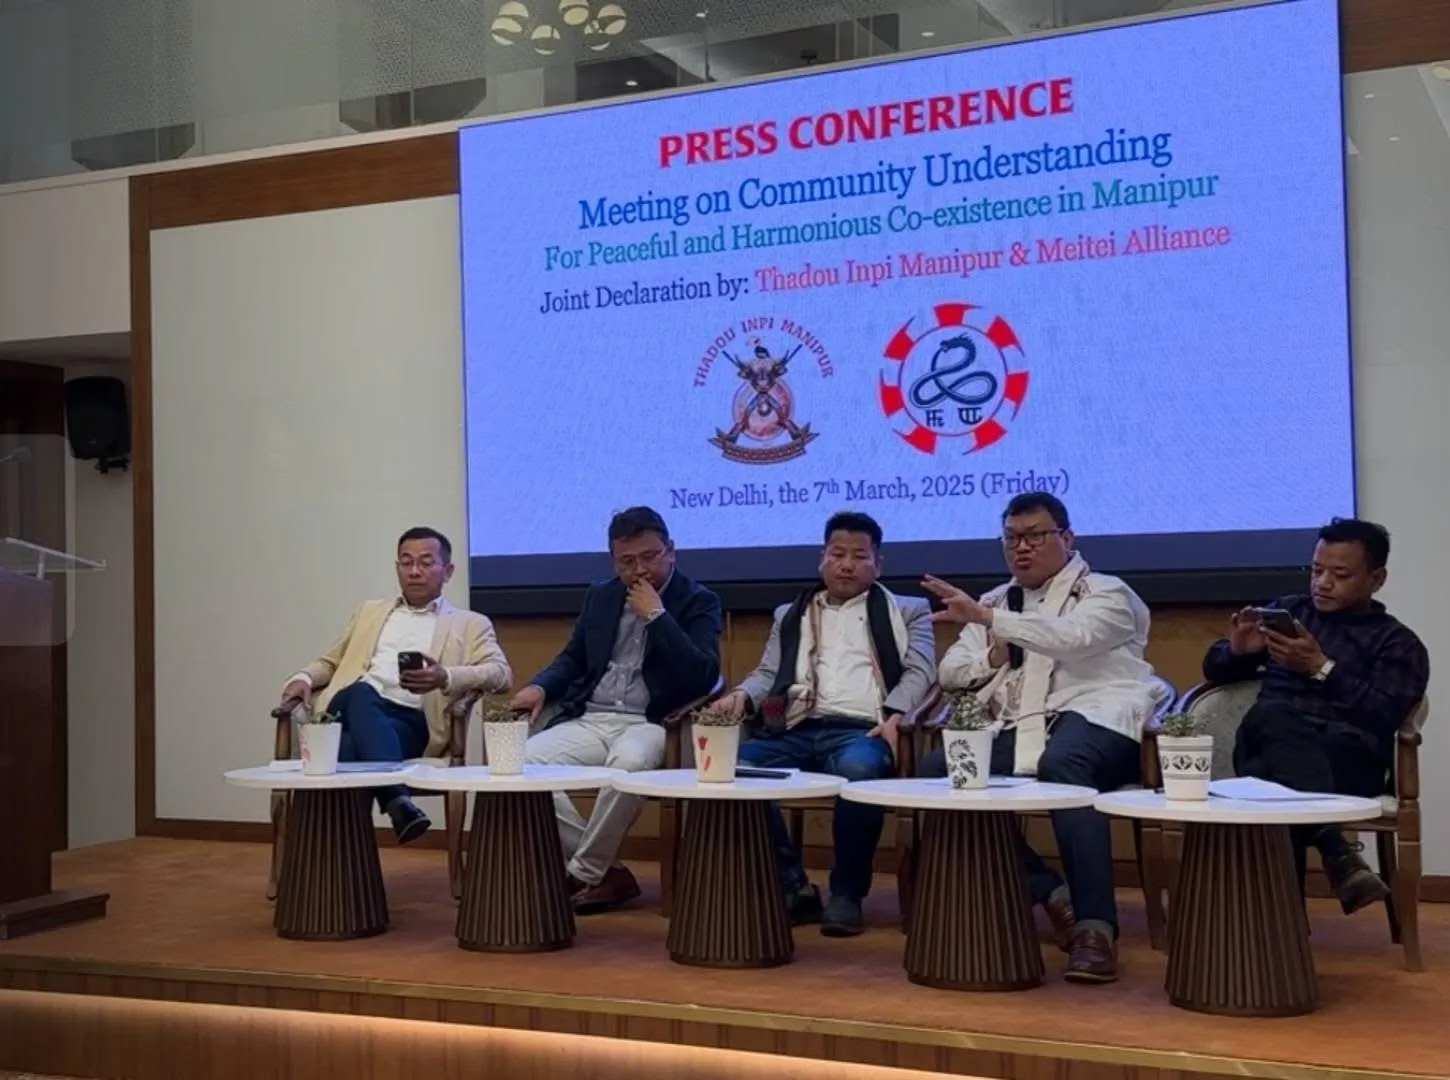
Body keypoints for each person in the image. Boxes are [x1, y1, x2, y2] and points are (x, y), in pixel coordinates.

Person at [920, 492, 1159, 984]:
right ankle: (1050, 892)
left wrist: (990, 621)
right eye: (1011, 539)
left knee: (1062, 764)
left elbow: (1071, 638)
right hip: (1021, 723)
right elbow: (951, 672)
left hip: (1100, 718)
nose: (1021, 548)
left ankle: (1095, 928)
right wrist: (992, 654)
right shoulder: (994, 600)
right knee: (940, 771)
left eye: (1034, 536)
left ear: (1067, 538)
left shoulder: (1107, 593)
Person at [716, 511, 935, 937]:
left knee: (860, 770)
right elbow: (768, 673)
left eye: (859, 556)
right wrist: (741, 695)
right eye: (837, 554)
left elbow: (920, 671)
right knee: (733, 768)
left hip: (862, 730)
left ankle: (846, 894)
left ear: (878, 564)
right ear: (822, 559)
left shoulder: (909, 610)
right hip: (794, 727)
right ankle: (793, 886)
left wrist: (895, 714)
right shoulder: (791, 613)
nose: (846, 565)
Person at [1202, 517, 1429, 914]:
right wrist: (1237, 652)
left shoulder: (1397, 642)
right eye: (1316, 570)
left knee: (1269, 782)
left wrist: (1321, 668)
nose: (1322, 583)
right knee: (1272, 715)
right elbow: (1216, 672)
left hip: (1345, 763)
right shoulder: (1288, 612)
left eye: (1339, 575)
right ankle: (1337, 851)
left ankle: (1282, 931)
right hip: (1269, 736)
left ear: (1377, 579)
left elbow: (1386, 716)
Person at [513, 507, 722, 913]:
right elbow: (573, 658)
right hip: (592, 717)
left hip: (652, 721)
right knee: (518, 763)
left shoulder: (699, 601)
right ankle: (607, 873)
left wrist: (657, 616)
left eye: (650, 557)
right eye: (627, 562)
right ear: (613, 561)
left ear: (671, 551)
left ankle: (584, 872)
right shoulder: (602, 595)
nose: (639, 570)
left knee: (628, 766)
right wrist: (539, 686)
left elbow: (703, 674)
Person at [280, 526, 513, 842]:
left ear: (448, 571)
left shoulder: (470, 623)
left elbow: (501, 674)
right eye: (406, 562)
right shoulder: (369, 612)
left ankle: (327, 860)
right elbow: (330, 661)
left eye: (426, 562)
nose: (414, 571)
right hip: (347, 706)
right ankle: (397, 800)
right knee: (362, 692)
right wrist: (303, 678)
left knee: (347, 749)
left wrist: (445, 676)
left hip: (410, 723)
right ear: (397, 568)